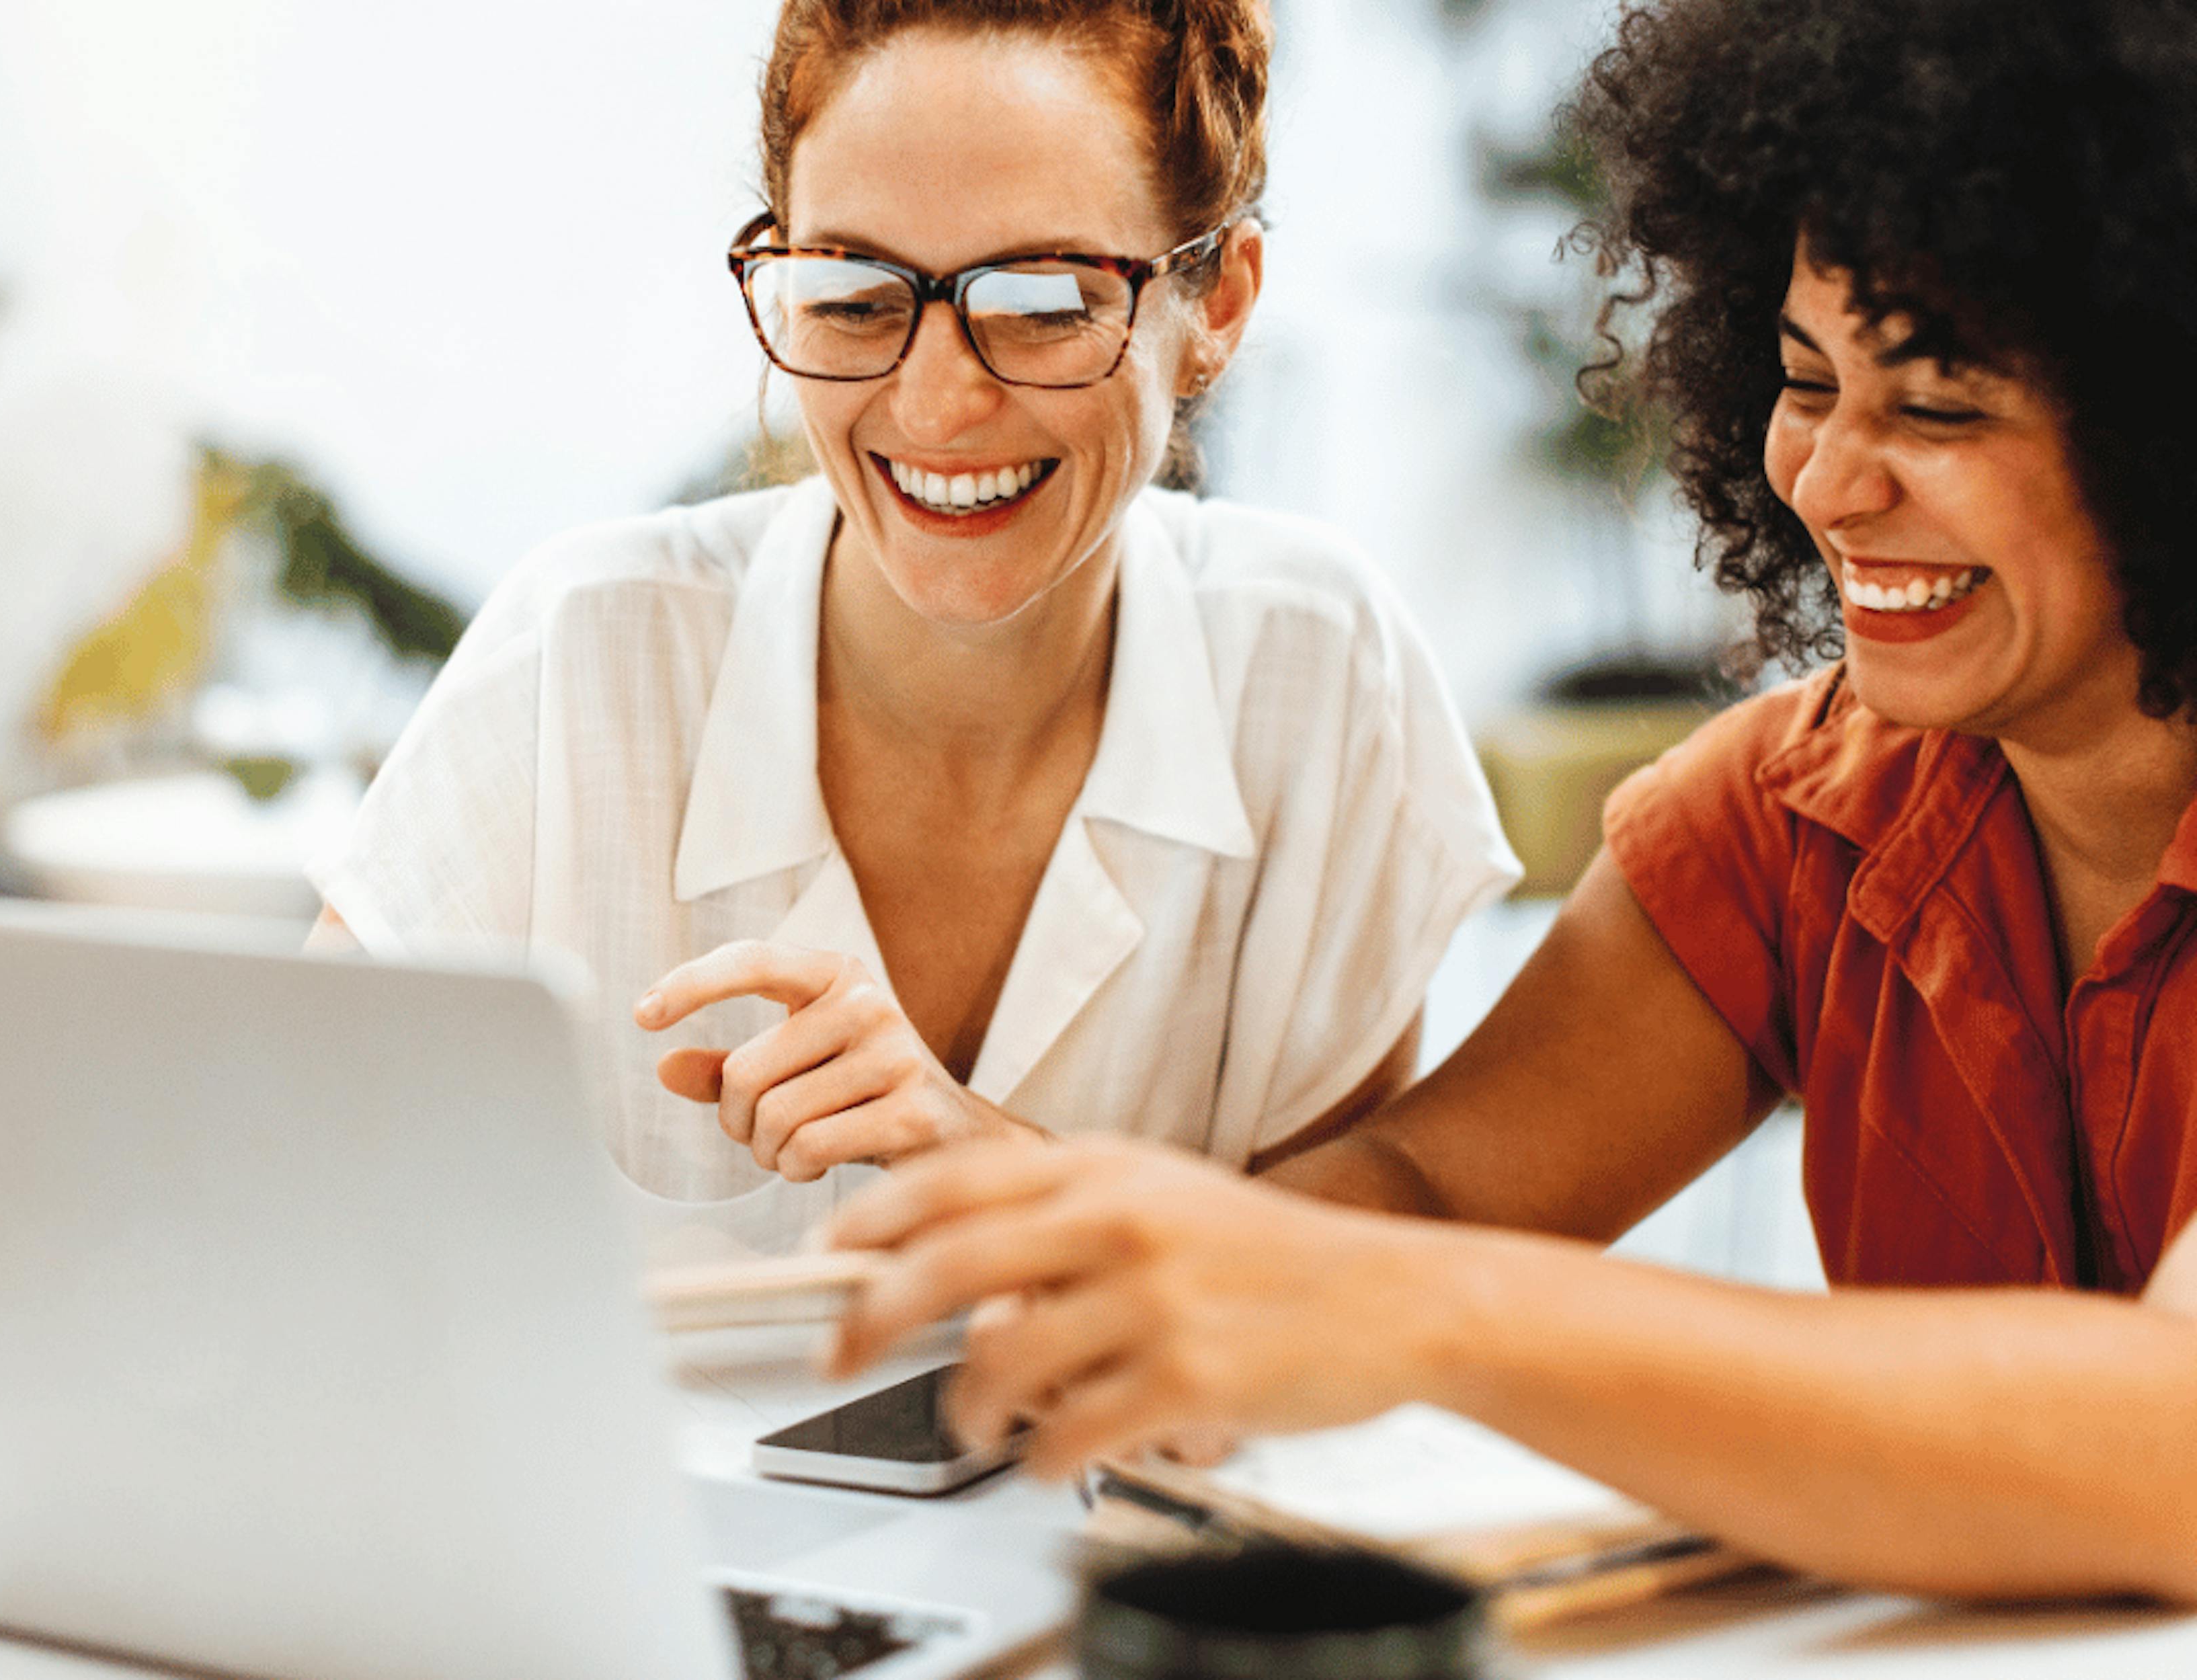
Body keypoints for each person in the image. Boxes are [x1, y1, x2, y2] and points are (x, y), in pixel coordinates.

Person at [823, 0, 2197, 1603]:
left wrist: (1420, 1306)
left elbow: (2166, 1450)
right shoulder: (1798, 814)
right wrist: (1064, 1216)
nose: (1828, 478)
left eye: (1939, 408)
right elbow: (1423, 1191)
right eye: (1805, 382)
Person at [307, 0, 1517, 1256]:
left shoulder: (1315, 673)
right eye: (851, 297)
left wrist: (992, 1165)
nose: (936, 407)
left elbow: (1346, 1316)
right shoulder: (586, 655)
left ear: (1217, 305)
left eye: (1046, 302)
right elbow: (267, 1211)